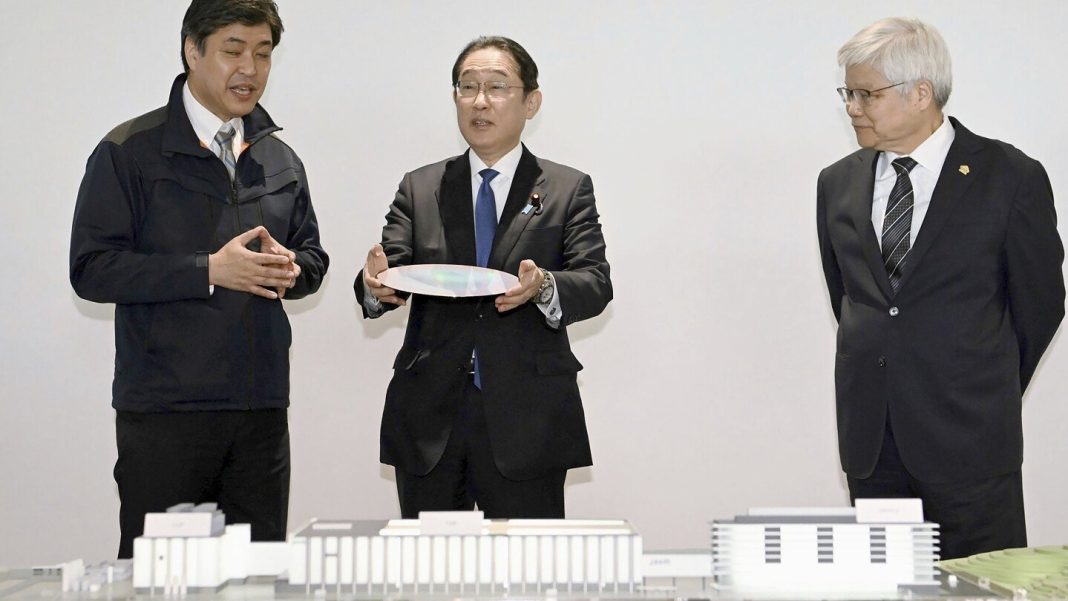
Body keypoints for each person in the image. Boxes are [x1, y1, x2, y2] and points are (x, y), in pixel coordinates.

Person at [70, 0, 327, 559]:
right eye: (234, 51)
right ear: (192, 49)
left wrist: (291, 269)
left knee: (257, 581)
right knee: (160, 582)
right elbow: (92, 269)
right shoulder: (129, 151)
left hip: (260, 413)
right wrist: (207, 270)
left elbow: (312, 259)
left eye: (263, 54)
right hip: (167, 414)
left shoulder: (279, 158)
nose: (250, 69)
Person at [817, 17, 1063, 559]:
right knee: (886, 587)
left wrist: (981, 382)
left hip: (971, 444)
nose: (853, 107)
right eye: (848, 93)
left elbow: (1041, 304)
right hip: (874, 447)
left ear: (921, 92)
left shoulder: (1010, 177)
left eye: (866, 94)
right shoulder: (837, 183)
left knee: (982, 588)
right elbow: (852, 300)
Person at [355, 36, 612, 519]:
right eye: (467, 87)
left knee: (527, 565)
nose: (479, 101)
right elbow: (389, 268)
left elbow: (595, 282)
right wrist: (374, 286)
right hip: (431, 416)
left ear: (531, 102)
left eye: (497, 87)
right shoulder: (422, 186)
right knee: (430, 564)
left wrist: (544, 287)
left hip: (527, 417)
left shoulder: (565, 188)